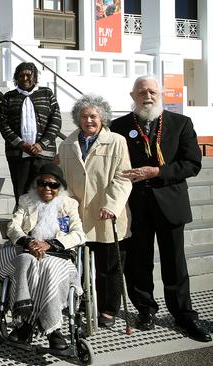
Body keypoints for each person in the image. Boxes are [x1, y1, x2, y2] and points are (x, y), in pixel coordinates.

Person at [110, 76, 211, 342]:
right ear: (132, 95)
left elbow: (192, 164)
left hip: (170, 203)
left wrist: (157, 171)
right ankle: (145, 310)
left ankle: (183, 315)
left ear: (161, 94)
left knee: (175, 264)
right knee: (138, 263)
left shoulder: (181, 123)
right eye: (142, 91)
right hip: (136, 206)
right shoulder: (118, 126)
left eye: (152, 91)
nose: (148, 96)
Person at [57, 94, 132, 328]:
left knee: (109, 266)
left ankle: (109, 309)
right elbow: (63, 181)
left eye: (93, 116)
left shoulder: (117, 141)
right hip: (78, 215)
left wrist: (112, 205)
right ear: (77, 119)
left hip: (107, 214)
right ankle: (81, 304)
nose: (89, 120)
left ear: (102, 118)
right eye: (84, 116)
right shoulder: (67, 143)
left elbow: (123, 177)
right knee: (79, 265)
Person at [0, 163, 87, 350]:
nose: (47, 188)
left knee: (49, 269)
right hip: (29, 251)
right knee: (24, 263)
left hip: (58, 255)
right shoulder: (26, 201)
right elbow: (12, 227)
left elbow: (79, 234)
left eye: (53, 185)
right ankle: (25, 323)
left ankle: (51, 329)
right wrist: (29, 242)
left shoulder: (69, 204)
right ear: (36, 184)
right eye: (43, 183)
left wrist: (50, 244)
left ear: (60, 187)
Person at [0, 62, 61, 205]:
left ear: (35, 77)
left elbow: (55, 121)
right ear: (16, 78)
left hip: (44, 155)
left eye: (28, 75)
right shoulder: (8, 97)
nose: (25, 78)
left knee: (45, 192)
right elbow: (3, 125)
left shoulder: (47, 94)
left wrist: (41, 144)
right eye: (21, 75)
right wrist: (21, 145)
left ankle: (43, 225)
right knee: (22, 192)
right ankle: (23, 224)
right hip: (18, 156)